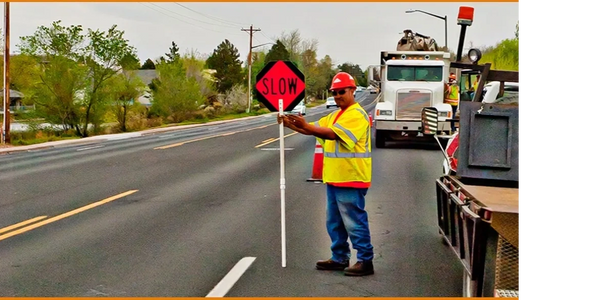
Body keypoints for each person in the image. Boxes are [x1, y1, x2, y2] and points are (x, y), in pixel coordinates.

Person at [277, 72, 375, 276]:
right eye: (335, 92)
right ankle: (339, 257)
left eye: (342, 91)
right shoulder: (334, 115)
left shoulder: (356, 115)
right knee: (335, 222)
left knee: (354, 221)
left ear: (352, 90)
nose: (338, 96)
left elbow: (331, 133)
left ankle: (365, 261)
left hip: (352, 177)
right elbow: (313, 130)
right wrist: (290, 124)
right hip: (335, 178)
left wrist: (305, 126)